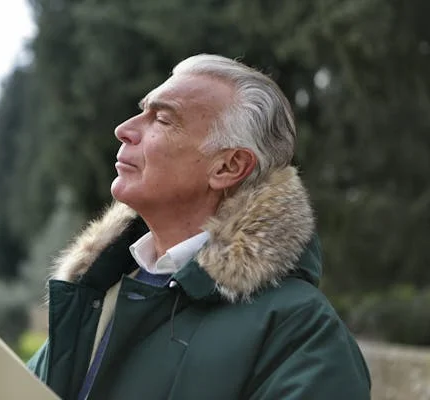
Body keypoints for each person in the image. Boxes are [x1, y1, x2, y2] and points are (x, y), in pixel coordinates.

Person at [27, 54, 371, 400]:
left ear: (228, 167)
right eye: (142, 111)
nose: (124, 130)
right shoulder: (97, 293)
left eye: (163, 119)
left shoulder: (301, 332)